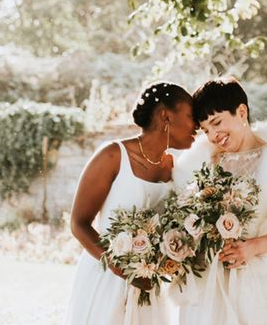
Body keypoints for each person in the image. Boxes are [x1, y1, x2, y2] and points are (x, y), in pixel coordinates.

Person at [173, 77, 267, 325]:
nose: (213, 135)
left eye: (217, 122)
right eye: (206, 130)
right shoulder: (199, 164)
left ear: (241, 111)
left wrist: (253, 247)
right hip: (209, 290)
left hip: (262, 287)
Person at [65, 82, 198, 325]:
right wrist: (123, 269)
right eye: (191, 116)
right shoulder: (113, 156)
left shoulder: (173, 167)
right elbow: (78, 223)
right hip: (106, 279)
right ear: (165, 115)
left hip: (148, 287)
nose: (197, 125)